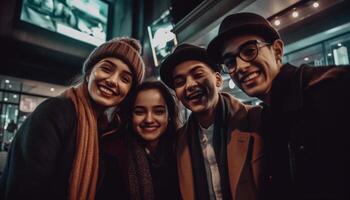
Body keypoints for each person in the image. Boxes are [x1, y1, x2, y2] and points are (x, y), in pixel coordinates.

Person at [207, 12, 350, 200]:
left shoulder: (332, 89)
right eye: (230, 62)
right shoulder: (266, 116)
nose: (240, 66)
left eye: (250, 51)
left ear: (277, 50)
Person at [0, 37, 145, 200]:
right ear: (89, 74)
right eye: (106, 68)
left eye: (125, 79)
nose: (112, 81)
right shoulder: (55, 111)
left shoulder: (105, 129)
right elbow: (24, 190)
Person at [160, 44, 264, 200]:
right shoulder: (179, 141)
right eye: (180, 82)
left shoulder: (256, 119)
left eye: (198, 74)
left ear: (217, 79)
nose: (189, 85)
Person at [109, 81, 181, 199]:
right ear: (130, 116)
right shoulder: (114, 157)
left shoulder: (183, 150)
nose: (149, 119)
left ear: (169, 116)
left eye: (158, 111)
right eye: (139, 112)